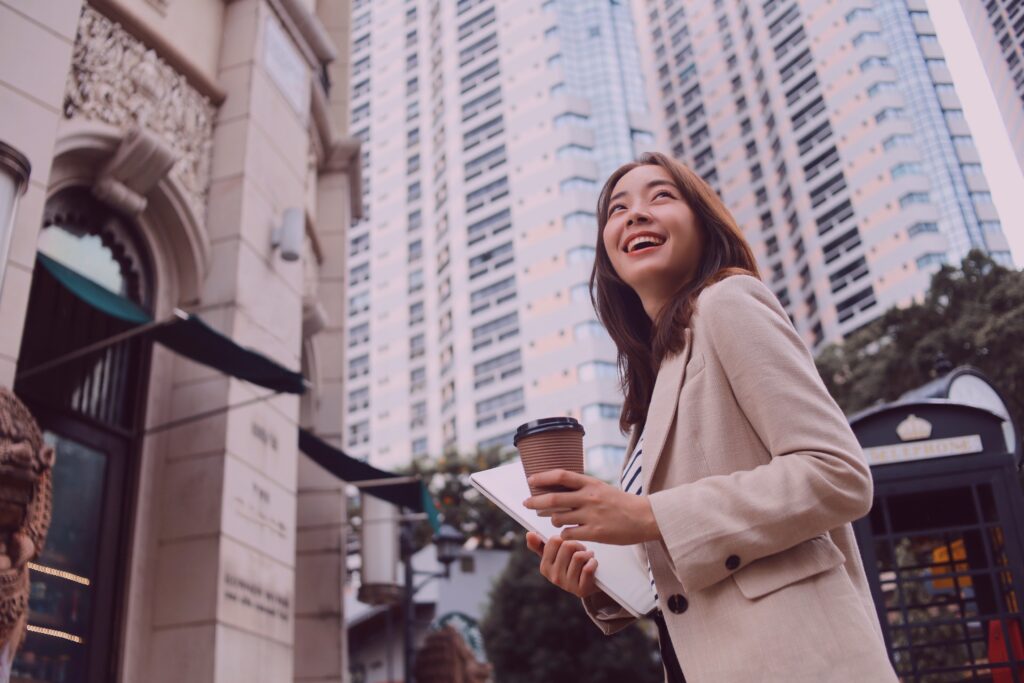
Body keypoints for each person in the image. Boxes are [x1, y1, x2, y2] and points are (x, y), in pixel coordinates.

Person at [521, 152, 898, 682]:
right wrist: (600, 578)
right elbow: (695, 567)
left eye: (661, 196)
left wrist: (649, 516)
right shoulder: (651, 393)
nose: (635, 214)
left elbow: (837, 474)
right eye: (617, 209)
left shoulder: (728, 301)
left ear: (704, 222)